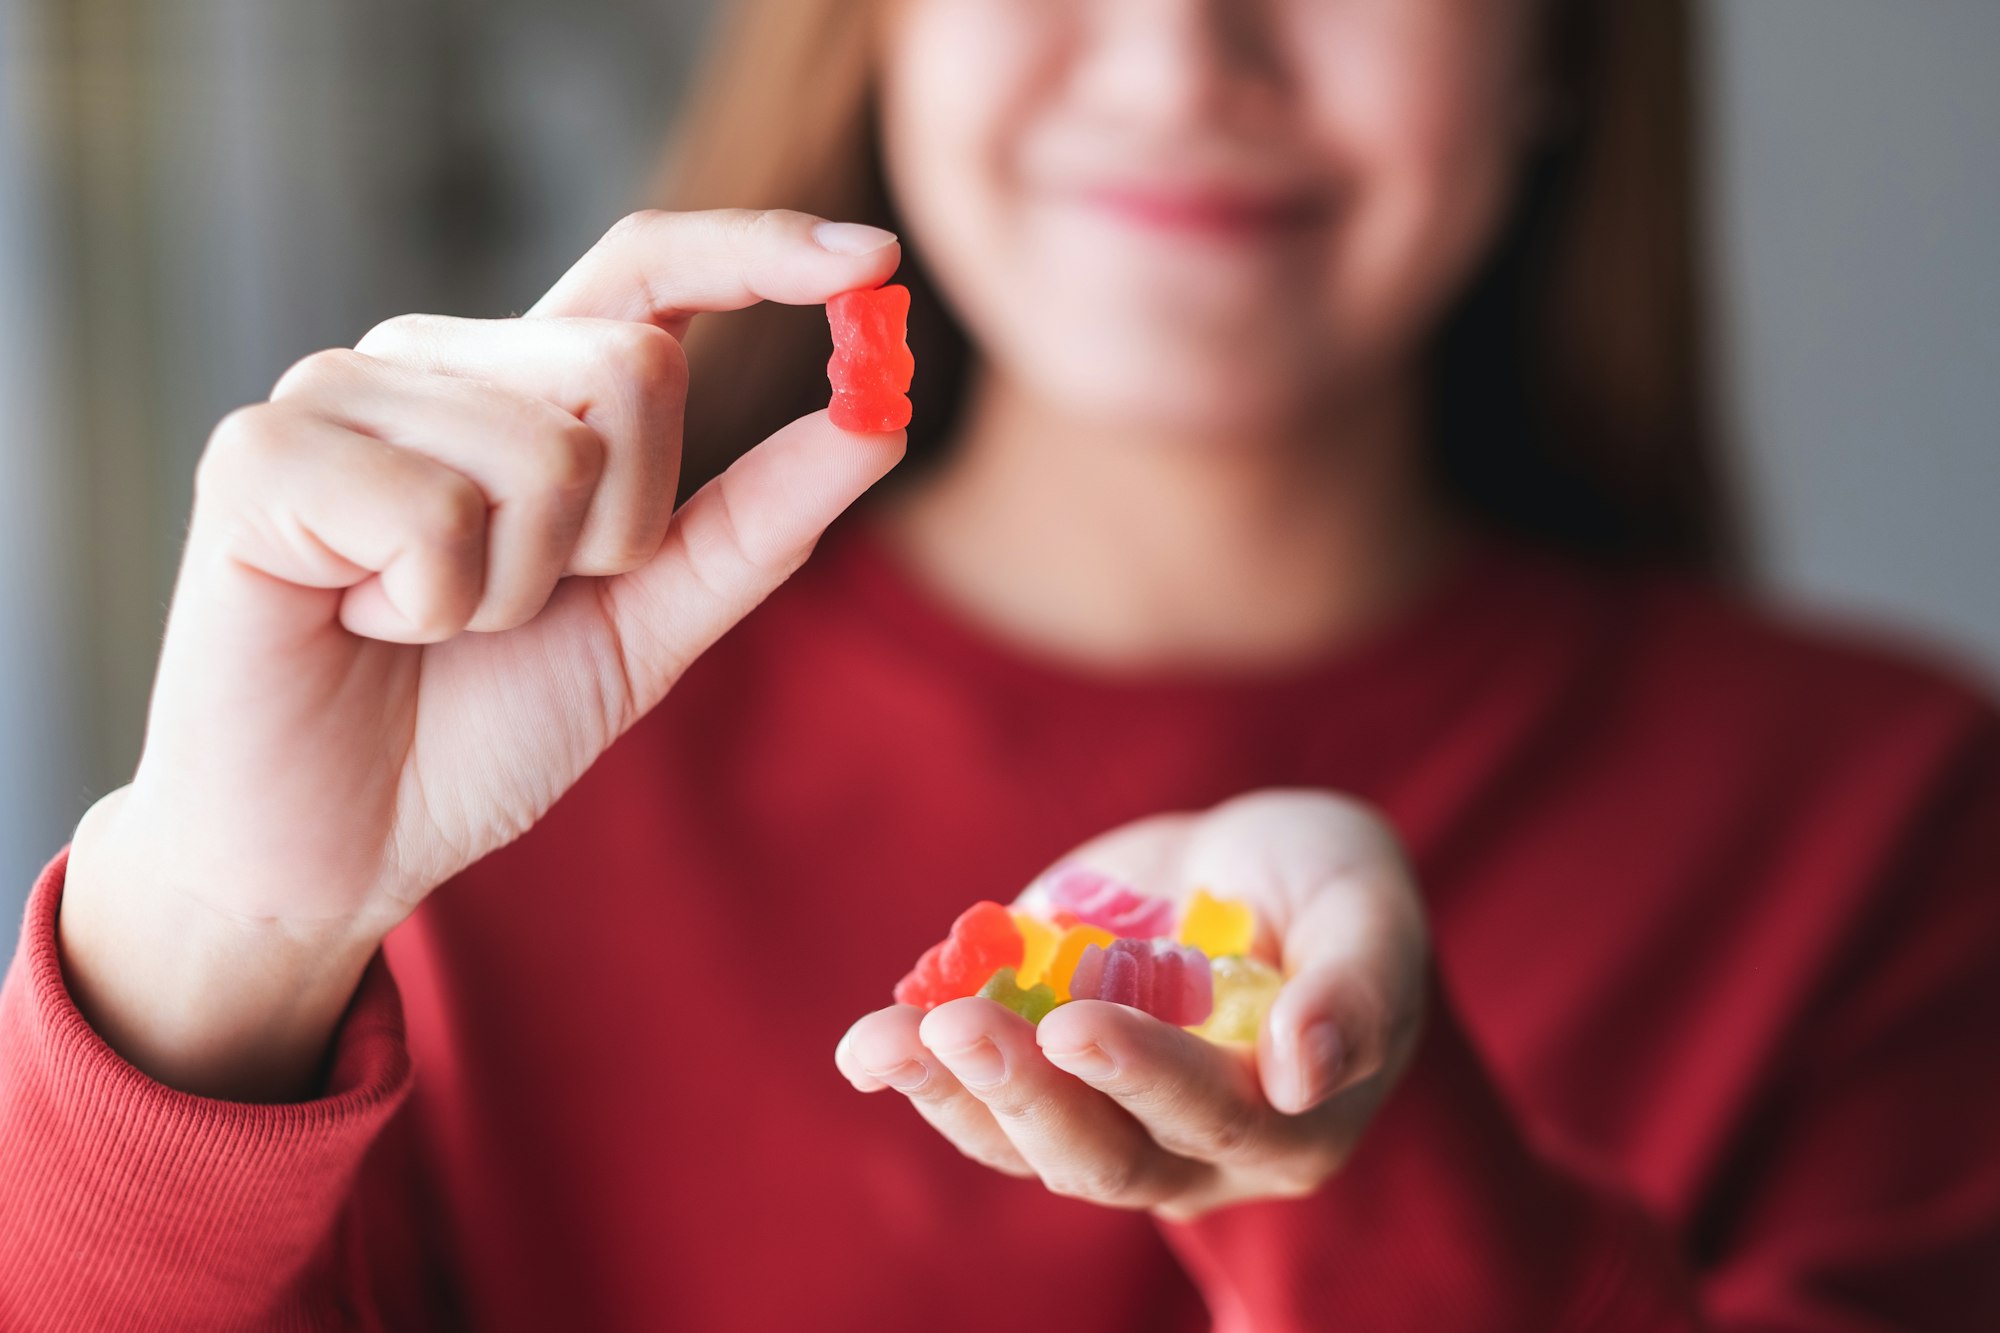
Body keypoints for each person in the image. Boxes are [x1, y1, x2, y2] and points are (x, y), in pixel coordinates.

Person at [2, 0, 1995, 1328]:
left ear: (1560, 43)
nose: (1179, 55)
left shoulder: (1891, 820)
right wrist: (227, 933)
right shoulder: (485, 768)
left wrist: (1371, 1182)